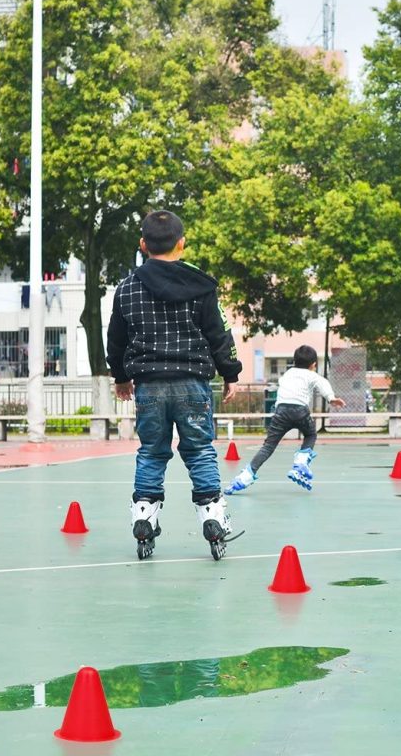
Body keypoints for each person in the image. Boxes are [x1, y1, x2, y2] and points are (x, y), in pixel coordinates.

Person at [107, 210, 243, 561]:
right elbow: (220, 333)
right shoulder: (201, 285)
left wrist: (121, 377)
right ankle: (213, 516)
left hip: (149, 385)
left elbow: (116, 339)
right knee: (199, 451)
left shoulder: (127, 288)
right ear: (182, 244)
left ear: (142, 245)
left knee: (152, 451)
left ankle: (144, 518)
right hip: (192, 384)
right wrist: (230, 373)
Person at [225, 344, 345, 493]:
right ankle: (300, 463)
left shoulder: (288, 374)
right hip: (300, 411)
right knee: (310, 434)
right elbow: (323, 383)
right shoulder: (311, 375)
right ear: (313, 364)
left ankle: (245, 477)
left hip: (281, 411)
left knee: (268, 447)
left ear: (294, 361)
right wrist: (331, 398)